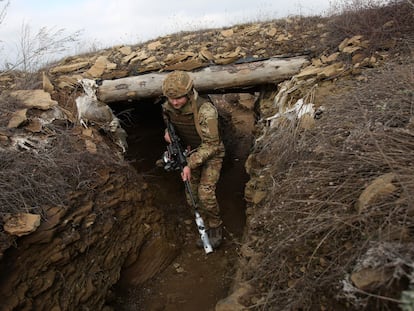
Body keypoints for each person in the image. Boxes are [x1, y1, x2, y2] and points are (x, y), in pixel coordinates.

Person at [161, 70, 225, 249]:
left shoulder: (206, 111)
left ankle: (215, 228)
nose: (174, 102)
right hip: (190, 152)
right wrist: (167, 134)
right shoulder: (168, 107)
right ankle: (202, 226)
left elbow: (212, 145)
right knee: (192, 197)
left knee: (205, 195)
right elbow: (170, 126)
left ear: (189, 93)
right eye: (170, 98)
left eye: (179, 98)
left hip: (212, 153)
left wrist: (189, 164)